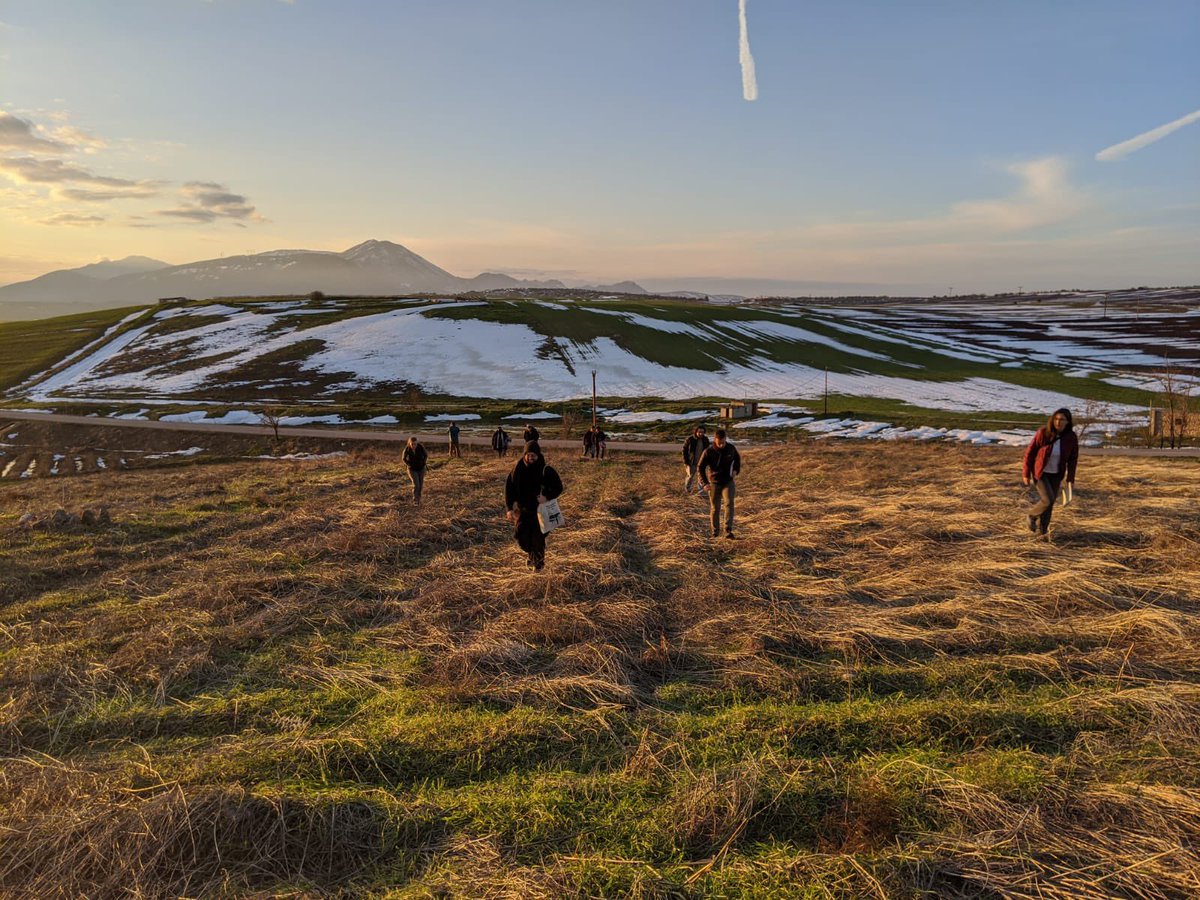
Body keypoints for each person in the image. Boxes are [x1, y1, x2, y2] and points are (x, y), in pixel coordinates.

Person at [504, 440, 563, 571]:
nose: (531, 457)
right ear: (525, 455)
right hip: (522, 511)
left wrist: (546, 497)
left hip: (540, 511)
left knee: (538, 538)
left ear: (538, 455)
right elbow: (509, 489)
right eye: (529, 454)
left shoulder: (545, 470)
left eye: (534, 455)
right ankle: (531, 555)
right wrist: (509, 508)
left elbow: (558, 487)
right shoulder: (517, 470)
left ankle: (538, 565)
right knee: (522, 538)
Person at [1022, 407, 1079, 539]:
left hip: (1056, 474)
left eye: (1062, 419)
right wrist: (1026, 473)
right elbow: (1029, 453)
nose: (1058, 422)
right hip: (1040, 473)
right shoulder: (1043, 433)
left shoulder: (1071, 437)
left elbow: (1073, 459)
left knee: (1050, 504)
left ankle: (1043, 533)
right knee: (1048, 500)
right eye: (1056, 419)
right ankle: (1032, 515)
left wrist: (1070, 479)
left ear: (1068, 422)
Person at [698, 428, 741, 538]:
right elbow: (700, 467)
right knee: (715, 508)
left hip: (728, 482)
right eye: (719, 443)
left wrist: (736, 470)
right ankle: (715, 532)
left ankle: (727, 530)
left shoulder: (731, 448)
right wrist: (705, 483)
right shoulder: (708, 451)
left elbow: (737, 459)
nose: (721, 445)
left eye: (723, 442)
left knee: (729, 504)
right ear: (715, 440)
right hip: (714, 483)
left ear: (725, 439)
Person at [682, 424, 709, 493]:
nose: (701, 434)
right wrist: (686, 462)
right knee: (690, 476)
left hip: (702, 463)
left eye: (702, 432)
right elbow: (684, 450)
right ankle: (687, 490)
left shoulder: (705, 440)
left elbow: (708, 451)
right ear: (696, 432)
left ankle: (700, 491)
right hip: (692, 462)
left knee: (701, 477)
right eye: (699, 432)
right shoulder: (690, 439)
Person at [402, 436, 428, 505]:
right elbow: (403, 458)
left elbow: (426, 455)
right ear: (409, 443)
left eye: (415, 444)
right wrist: (408, 464)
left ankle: (419, 499)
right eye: (412, 444)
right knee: (416, 485)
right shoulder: (407, 449)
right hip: (412, 469)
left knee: (421, 484)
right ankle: (415, 500)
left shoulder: (420, 447)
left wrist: (424, 462)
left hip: (421, 468)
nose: (414, 445)